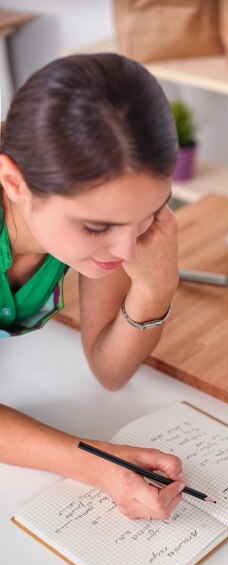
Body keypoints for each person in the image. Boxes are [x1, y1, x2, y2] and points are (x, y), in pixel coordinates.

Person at [0, 53, 185, 521]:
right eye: (97, 226)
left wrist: (156, 287)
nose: (127, 249)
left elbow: (110, 371)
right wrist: (97, 465)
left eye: (150, 210)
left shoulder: (111, 228)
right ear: (14, 182)